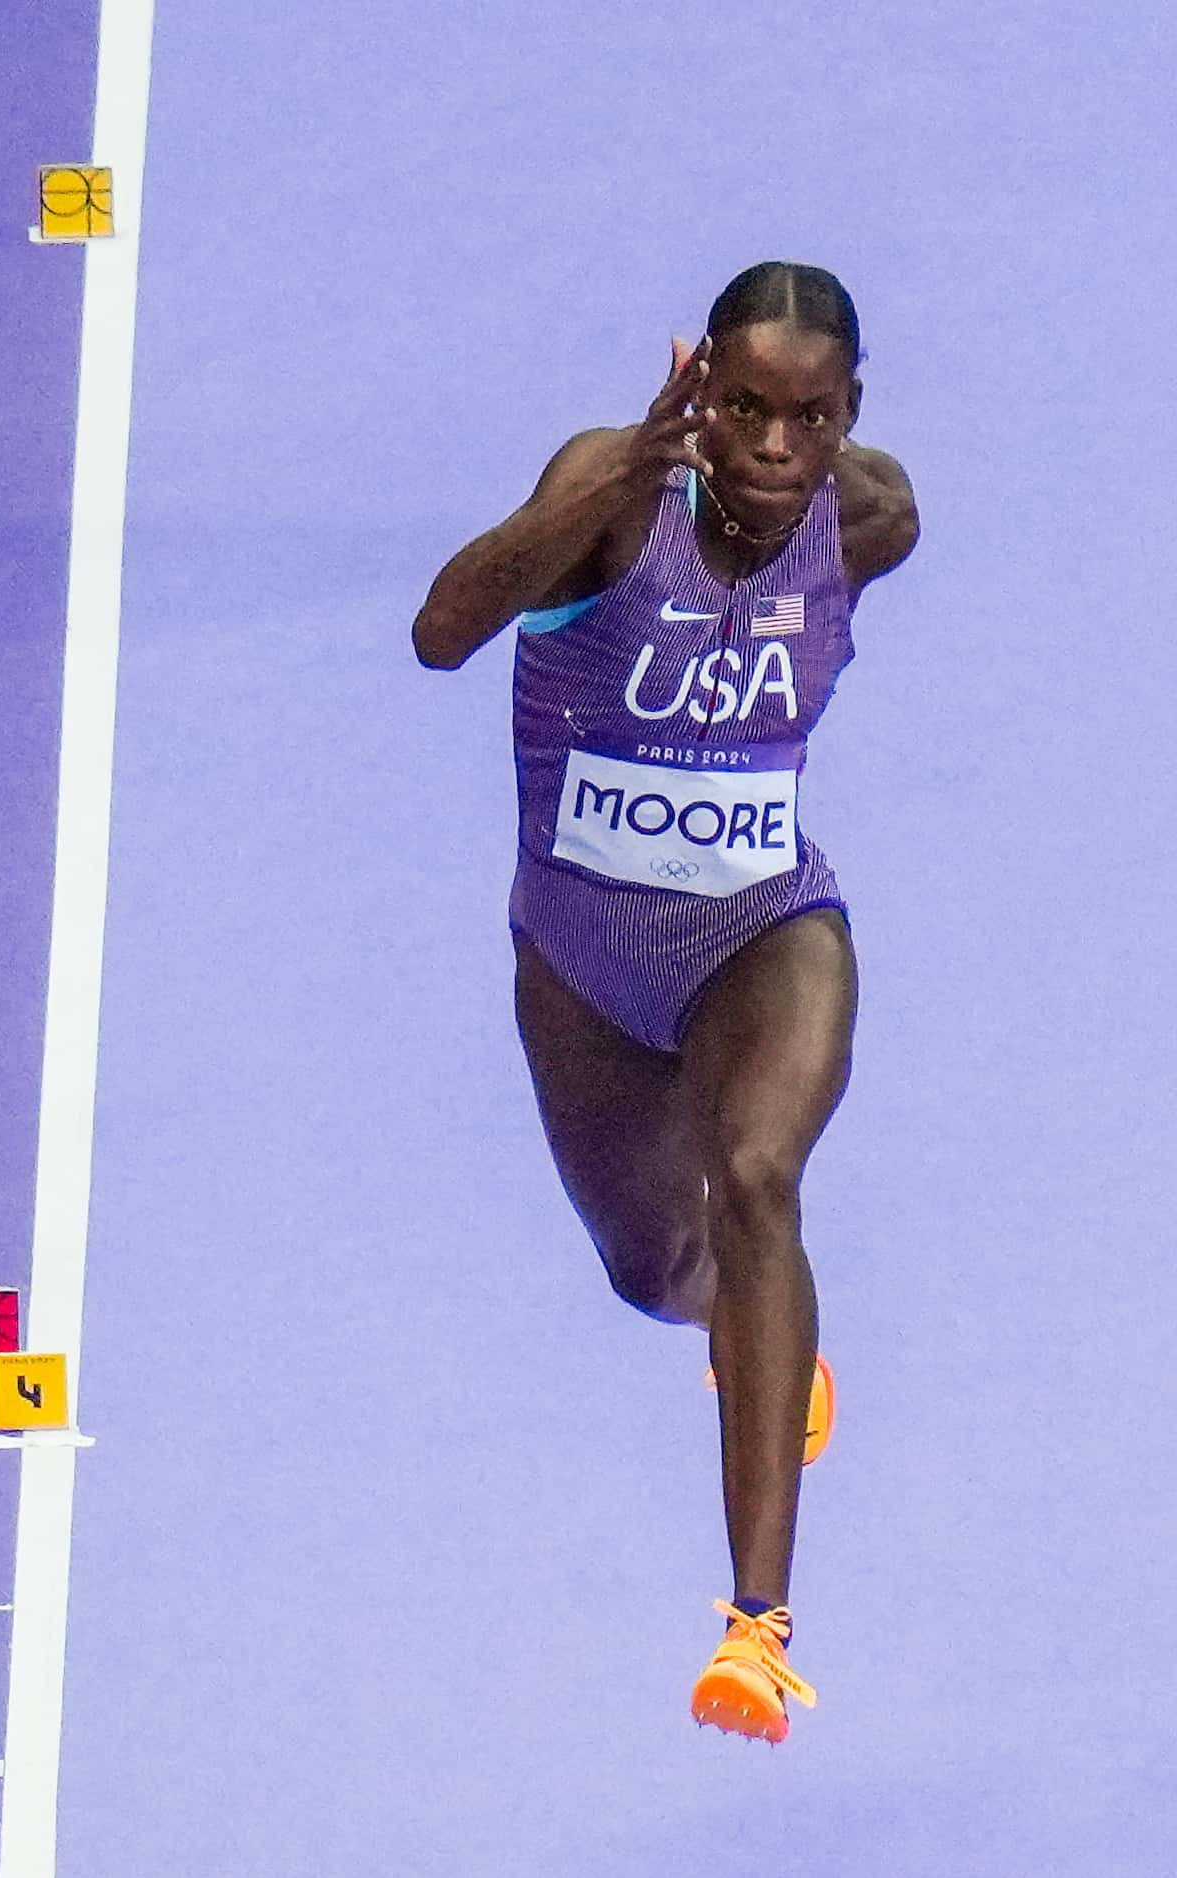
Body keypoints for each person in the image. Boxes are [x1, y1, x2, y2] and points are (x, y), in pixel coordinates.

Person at [411, 261, 918, 1744]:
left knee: (761, 1179)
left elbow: (835, 543)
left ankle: (756, 1627)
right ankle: (749, 1332)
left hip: (765, 923)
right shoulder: (615, 491)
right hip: (578, 957)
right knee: (653, 1262)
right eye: (743, 408)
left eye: (805, 419)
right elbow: (444, 632)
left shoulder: (874, 518)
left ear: (846, 420)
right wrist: (607, 485)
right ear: (701, 394)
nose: (771, 447)